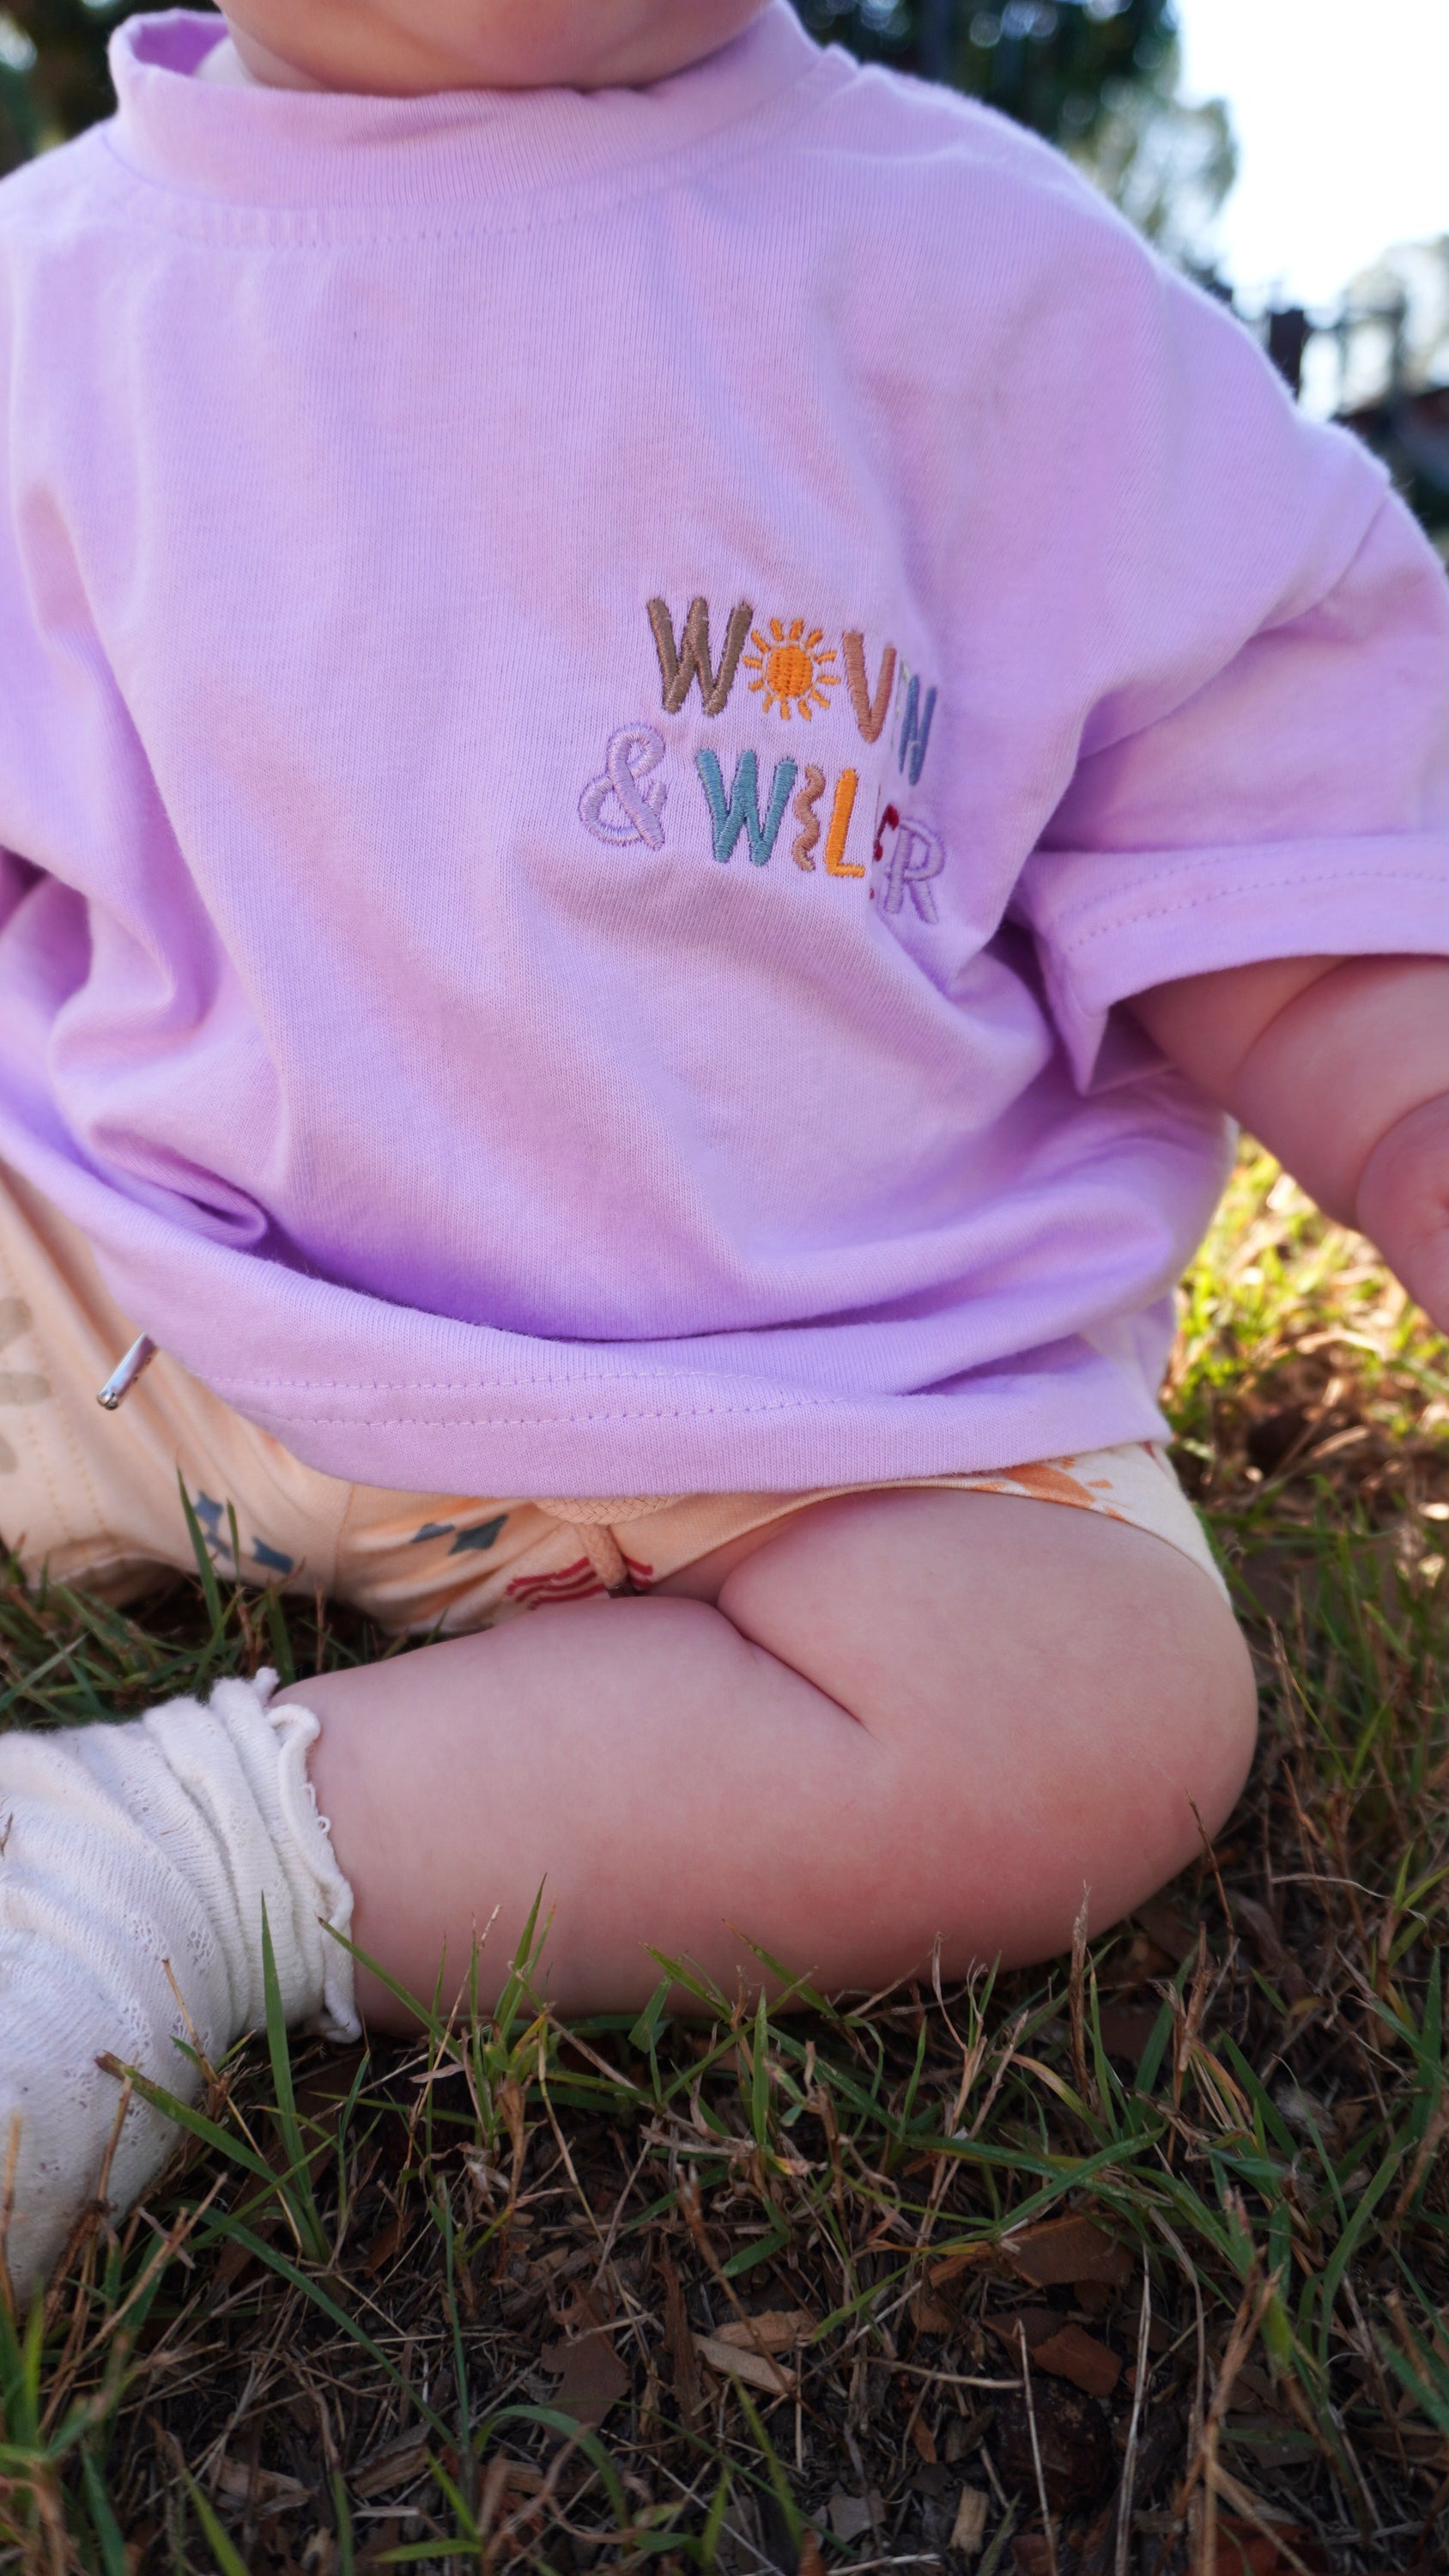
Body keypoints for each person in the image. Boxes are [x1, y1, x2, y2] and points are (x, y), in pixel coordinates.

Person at [0, 0, 1445, 2305]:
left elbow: (1287, 851)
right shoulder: (46, 293)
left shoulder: (991, 288)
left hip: (791, 1426)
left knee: (1098, 1713)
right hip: (133, 1311)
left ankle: (177, 1867)